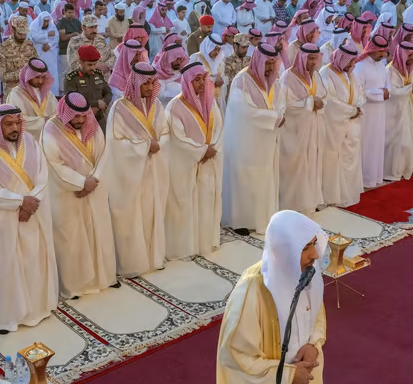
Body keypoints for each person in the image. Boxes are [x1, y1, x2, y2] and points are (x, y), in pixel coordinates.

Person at [216, 209, 326, 384]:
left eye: (314, 243)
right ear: (285, 250)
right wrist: (288, 376)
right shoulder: (252, 292)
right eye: (306, 247)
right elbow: (235, 356)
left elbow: (317, 317)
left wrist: (314, 344)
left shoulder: (307, 276)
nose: (314, 254)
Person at [0, 104, 59, 334]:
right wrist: (20, 201)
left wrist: (32, 202)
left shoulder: (29, 141)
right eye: (8, 124)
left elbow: (42, 175)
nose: (14, 128)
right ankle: (5, 317)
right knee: (5, 267)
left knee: (33, 261)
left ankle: (37, 309)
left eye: (17, 122)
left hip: (31, 214)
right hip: (0, 220)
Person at [42, 92, 118, 299]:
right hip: (68, 195)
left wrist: (93, 181)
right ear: (66, 113)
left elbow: (104, 155)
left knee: (98, 232)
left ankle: (105, 278)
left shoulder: (91, 125)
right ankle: (73, 286)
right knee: (72, 238)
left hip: (94, 190)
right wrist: (81, 183)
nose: (80, 120)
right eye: (75, 116)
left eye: (82, 116)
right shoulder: (51, 130)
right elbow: (53, 165)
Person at [105, 62, 170, 277]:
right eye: (146, 83)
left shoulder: (157, 106)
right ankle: (133, 263)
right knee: (132, 216)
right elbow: (116, 143)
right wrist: (144, 147)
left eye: (153, 83)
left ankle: (154, 257)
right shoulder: (120, 108)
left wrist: (158, 144)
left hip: (153, 170)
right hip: (131, 175)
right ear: (135, 83)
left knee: (153, 213)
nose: (150, 88)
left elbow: (164, 132)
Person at [222, 43, 285, 234]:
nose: (271, 68)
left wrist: (280, 115)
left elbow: (281, 102)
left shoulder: (273, 80)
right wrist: (274, 117)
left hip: (266, 140)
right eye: (267, 63)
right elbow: (245, 111)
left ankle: (262, 218)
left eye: (273, 63)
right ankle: (240, 221)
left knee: (263, 177)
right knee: (244, 178)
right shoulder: (242, 80)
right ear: (258, 60)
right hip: (246, 141)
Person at [165, 62, 223, 259]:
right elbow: (177, 138)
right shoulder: (175, 106)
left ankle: (206, 241)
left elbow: (219, 128)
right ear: (187, 82)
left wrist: (212, 147)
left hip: (209, 162)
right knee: (186, 204)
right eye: (196, 80)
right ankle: (186, 247)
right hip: (188, 165)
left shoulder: (210, 102)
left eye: (202, 79)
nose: (200, 83)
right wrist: (201, 151)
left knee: (207, 201)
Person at [278, 43, 327, 214]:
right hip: (294, 131)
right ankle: (292, 204)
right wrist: (311, 102)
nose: (313, 62)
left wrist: (318, 102)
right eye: (310, 58)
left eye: (316, 58)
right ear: (302, 57)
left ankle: (310, 201)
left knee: (312, 163)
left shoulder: (316, 76)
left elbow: (323, 96)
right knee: (295, 166)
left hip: (312, 128)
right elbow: (287, 105)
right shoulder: (288, 77)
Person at [319, 44, 364, 207]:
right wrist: (351, 111)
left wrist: (358, 107)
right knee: (334, 160)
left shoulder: (350, 75)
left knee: (350, 160)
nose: (352, 66)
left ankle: (349, 194)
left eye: (353, 62)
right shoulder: (326, 73)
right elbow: (329, 101)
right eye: (350, 62)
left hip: (352, 124)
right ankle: (332, 197)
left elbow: (360, 93)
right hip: (334, 126)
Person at [353, 35, 390, 186]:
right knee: (367, 144)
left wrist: (385, 92)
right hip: (367, 113)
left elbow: (388, 86)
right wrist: (380, 93)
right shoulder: (360, 67)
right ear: (372, 50)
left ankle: (374, 178)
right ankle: (364, 179)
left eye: (384, 52)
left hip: (380, 112)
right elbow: (359, 92)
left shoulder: (381, 65)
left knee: (377, 143)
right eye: (379, 51)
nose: (382, 55)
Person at [382, 41, 413, 181]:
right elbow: (390, 91)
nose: (411, 58)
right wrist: (409, 89)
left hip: (407, 109)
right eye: (409, 55)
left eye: (412, 55)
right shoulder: (390, 70)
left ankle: (402, 169)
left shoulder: (409, 69)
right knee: (394, 142)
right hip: (394, 112)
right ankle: (390, 172)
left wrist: (411, 88)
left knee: (406, 141)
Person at [63, 44, 113, 131]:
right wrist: (96, 103)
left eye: (94, 64)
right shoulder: (71, 79)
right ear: (81, 62)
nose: (93, 68)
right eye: (89, 65)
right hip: (81, 121)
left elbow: (108, 92)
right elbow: (71, 101)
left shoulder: (98, 74)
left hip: (99, 118)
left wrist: (104, 102)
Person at [7, 58, 58, 141]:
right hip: (27, 141)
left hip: (48, 139)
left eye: (43, 77)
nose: (41, 81)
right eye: (37, 77)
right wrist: (43, 121)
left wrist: (51, 121)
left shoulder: (48, 93)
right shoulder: (16, 94)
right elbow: (16, 120)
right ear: (28, 76)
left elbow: (56, 113)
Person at [0, 16, 39, 100]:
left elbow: (37, 65)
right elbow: (2, 76)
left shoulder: (30, 46)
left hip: (29, 93)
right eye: (20, 33)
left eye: (24, 33)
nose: (23, 36)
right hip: (12, 95)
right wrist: (23, 73)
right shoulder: (3, 49)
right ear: (13, 30)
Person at [67, 14, 115, 82]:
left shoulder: (101, 39)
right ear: (83, 27)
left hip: (104, 81)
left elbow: (112, 56)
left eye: (95, 27)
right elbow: (73, 64)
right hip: (86, 82)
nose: (94, 30)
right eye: (91, 27)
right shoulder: (75, 42)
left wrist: (107, 66)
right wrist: (94, 67)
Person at [190, 34, 226, 112]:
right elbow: (192, 79)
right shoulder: (196, 58)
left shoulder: (220, 61)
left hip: (218, 99)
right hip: (202, 99)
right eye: (215, 49)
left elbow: (223, 78)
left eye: (219, 49)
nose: (217, 52)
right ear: (208, 46)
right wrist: (213, 80)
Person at [29, 11, 60, 96]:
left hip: (50, 54)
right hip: (39, 55)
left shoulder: (52, 26)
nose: (46, 23)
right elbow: (35, 38)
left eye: (47, 21)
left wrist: (49, 45)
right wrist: (47, 35)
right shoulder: (34, 26)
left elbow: (56, 38)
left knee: (51, 74)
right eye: (44, 21)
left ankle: (53, 94)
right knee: (40, 74)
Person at [56, 3, 82, 93]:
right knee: (64, 73)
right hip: (64, 51)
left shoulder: (76, 22)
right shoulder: (61, 23)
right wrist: (74, 34)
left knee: (74, 72)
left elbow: (82, 32)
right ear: (65, 12)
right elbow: (63, 37)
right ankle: (63, 91)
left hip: (75, 52)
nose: (71, 14)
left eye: (72, 12)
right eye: (69, 12)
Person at [224, 33, 251, 102]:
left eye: (247, 47)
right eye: (243, 47)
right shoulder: (228, 61)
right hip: (233, 98)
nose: (246, 50)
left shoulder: (250, 60)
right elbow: (227, 81)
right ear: (235, 46)